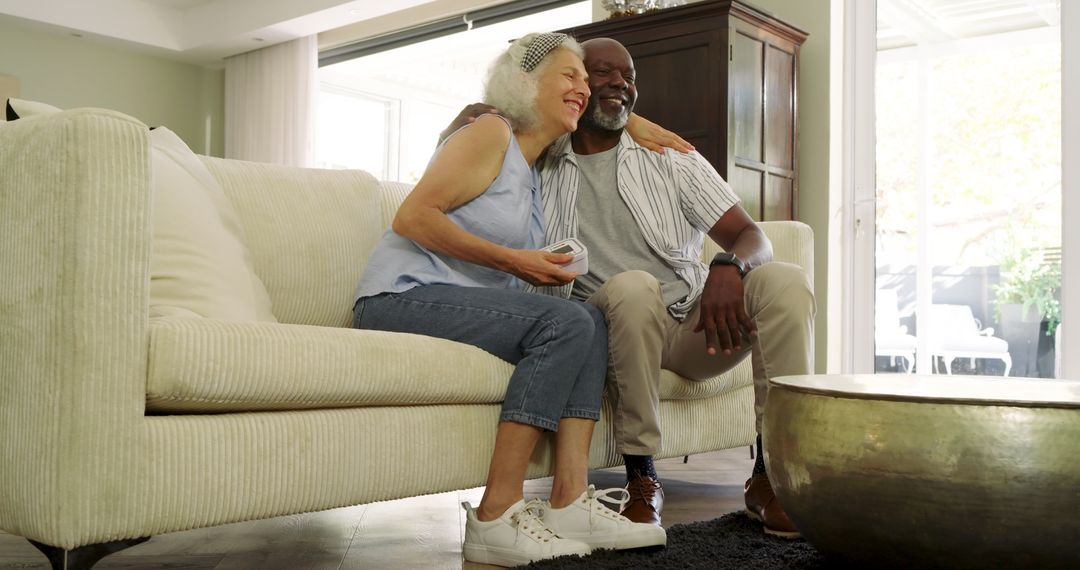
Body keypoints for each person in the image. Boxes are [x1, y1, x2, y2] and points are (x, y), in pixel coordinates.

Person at [442, 37, 816, 538]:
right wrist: (477, 117)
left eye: (629, 76)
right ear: (571, 84)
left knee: (785, 280)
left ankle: (774, 476)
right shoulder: (538, 158)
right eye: (602, 73)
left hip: (696, 324)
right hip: (615, 325)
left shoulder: (670, 157)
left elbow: (752, 235)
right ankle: (643, 477)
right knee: (634, 287)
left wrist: (729, 266)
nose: (621, 83)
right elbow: (467, 155)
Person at [352, 33, 666, 567]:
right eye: (570, 75)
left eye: (586, 82)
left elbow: (612, 119)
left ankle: (567, 502)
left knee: (587, 318)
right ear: (524, 83)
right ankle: (496, 514)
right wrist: (516, 262)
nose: (583, 89)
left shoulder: (534, 167)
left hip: (455, 302)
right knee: (566, 322)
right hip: (399, 298)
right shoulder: (490, 132)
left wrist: (635, 120)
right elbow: (413, 217)